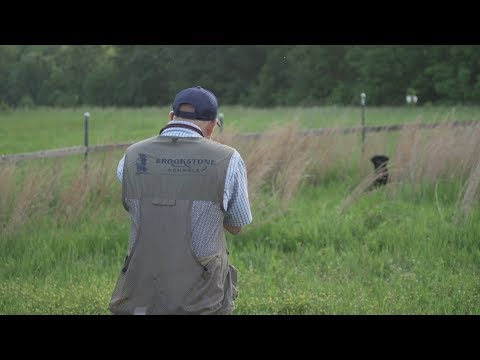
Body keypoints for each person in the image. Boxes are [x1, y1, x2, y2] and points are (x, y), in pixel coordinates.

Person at [109, 86, 252, 315]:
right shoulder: (229, 159)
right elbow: (236, 225)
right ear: (212, 125)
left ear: (171, 117)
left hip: (141, 292)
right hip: (202, 296)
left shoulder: (132, 156)